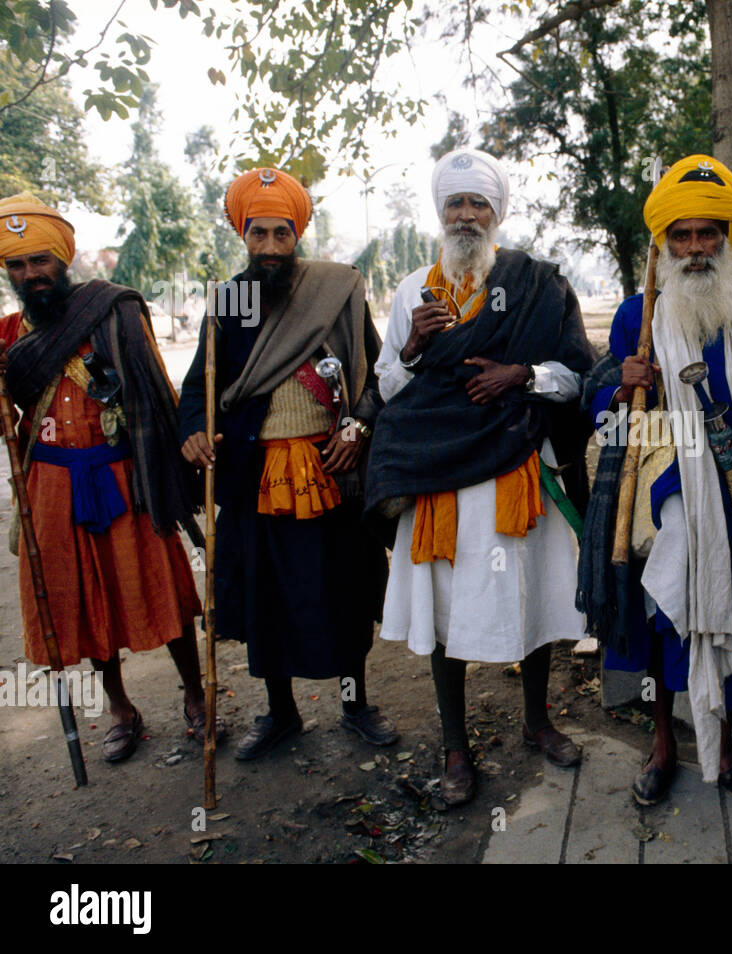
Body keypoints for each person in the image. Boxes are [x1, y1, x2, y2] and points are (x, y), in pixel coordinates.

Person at [367, 148, 595, 806]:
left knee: (534, 595)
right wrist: (410, 347)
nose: (467, 215)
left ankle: (538, 722)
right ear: (441, 212)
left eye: (478, 204)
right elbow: (387, 386)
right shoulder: (413, 290)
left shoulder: (537, 284)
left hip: (517, 468)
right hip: (439, 474)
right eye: (455, 204)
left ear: (497, 212)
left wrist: (520, 375)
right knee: (445, 611)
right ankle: (456, 749)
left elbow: (577, 373)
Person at [576, 155, 732, 804]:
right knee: (664, 621)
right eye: (682, 236)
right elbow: (606, 421)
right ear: (664, 244)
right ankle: (664, 748)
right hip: (661, 501)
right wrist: (620, 387)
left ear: (727, 238)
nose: (696, 247)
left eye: (708, 233)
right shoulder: (637, 317)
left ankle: (725, 751)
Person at [178, 167, 396, 761]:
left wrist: (358, 425)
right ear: (242, 236)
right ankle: (281, 715)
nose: (270, 248)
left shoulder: (338, 290)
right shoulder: (228, 301)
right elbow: (199, 384)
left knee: (345, 595)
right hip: (256, 477)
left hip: (334, 470)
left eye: (281, 234)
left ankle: (356, 705)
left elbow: (381, 377)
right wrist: (194, 429)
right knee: (266, 598)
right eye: (258, 235)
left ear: (297, 233)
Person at [0, 192, 213, 762]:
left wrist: (180, 460)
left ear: (62, 258)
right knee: (81, 599)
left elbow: (159, 396)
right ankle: (121, 709)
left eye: (39, 260)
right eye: (17, 266)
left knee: (159, 586)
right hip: (50, 487)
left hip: (126, 475)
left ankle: (196, 696)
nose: (30, 274)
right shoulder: (7, 337)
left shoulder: (113, 310)